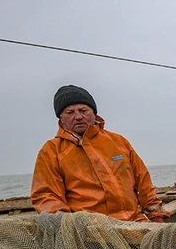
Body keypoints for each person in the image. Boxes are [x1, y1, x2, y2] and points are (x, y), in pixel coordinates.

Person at [32, 85, 168, 222]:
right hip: (90, 232)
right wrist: (71, 228)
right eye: (70, 112)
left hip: (135, 222)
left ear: (94, 113)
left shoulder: (119, 142)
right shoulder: (50, 151)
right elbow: (46, 196)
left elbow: (144, 184)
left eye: (83, 110)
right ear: (61, 118)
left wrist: (157, 216)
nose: (78, 116)